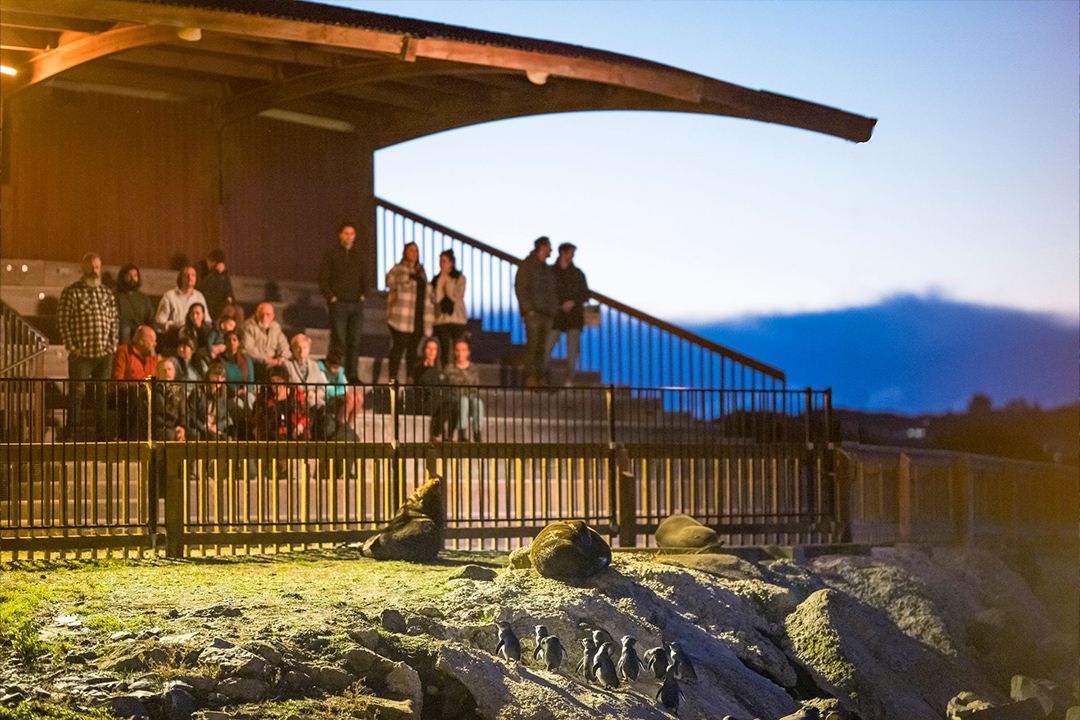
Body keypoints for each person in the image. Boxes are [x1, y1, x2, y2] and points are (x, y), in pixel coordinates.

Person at [58, 252, 119, 439]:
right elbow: (62, 321)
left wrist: (112, 346)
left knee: (102, 393)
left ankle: (102, 433)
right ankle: (71, 432)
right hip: (81, 355)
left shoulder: (107, 293)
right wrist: (72, 347)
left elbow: (114, 321)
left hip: (103, 353)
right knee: (77, 392)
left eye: (97, 267)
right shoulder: (72, 292)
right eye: (91, 267)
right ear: (83, 269)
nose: (94, 270)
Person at [319, 222, 368, 384]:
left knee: (354, 341)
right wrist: (331, 297)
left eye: (352, 234)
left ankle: (352, 375)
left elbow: (366, 277)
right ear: (340, 235)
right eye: (346, 233)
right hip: (338, 303)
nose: (349, 237)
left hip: (356, 304)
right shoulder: (332, 255)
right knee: (338, 340)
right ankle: (336, 374)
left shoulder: (359, 256)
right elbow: (323, 278)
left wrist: (363, 295)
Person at [384, 242, 433, 383]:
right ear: (405, 252)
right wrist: (406, 276)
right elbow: (389, 282)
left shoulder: (421, 271)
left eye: (416, 251)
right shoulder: (398, 268)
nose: (414, 254)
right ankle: (393, 380)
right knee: (398, 347)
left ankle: (410, 378)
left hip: (418, 317)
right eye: (411, 250)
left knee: (413, 350)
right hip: (401, 318)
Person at [514, 236, 558, 387]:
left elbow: (551, 291)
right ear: (542, 247)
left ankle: (540, 378)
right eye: (549, 246)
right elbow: (521, 287)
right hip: (535, 313)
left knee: (542, 348)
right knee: (533, 346)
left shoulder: (546, 268)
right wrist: (528, 310)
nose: (551, 250)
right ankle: (531, 378)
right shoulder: (528, 265)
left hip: (547, 313)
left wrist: (553, 309)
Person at [548, 242, 590, 386]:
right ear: (563, 253)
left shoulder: (577, 273)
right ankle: (544, 377)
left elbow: (585, 293)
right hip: (556, 316)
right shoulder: (551, 272)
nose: (572, 256)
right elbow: (546, 292)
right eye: (571, 253)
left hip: (574, 317)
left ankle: (569, 379)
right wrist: (559, 305)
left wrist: (573, 302)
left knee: (572, 352)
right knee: (547, 347)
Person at [111, 325, 159, 439]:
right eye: (152, 341)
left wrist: (153, 358)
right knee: (137, 395)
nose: (155, 344)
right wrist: (139, 385)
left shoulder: (151, 356)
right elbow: (118, 380)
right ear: (141, 341)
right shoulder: (123, 352)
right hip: (127, 394)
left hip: (146, 395)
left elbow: (155, 377)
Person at [431, 249, 467, 368]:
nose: (442, 264)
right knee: (444, 348)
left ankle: (458, 372)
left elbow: (456, 296)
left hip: (457, 319)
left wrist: (447, 283)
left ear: (451, 262)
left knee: (458, 347)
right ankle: (445, 371)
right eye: (441, 261)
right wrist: (441, 281)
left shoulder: (459, 278)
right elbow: (436, 299)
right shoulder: (436, 280)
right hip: (442, 320)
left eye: (445, 261)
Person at [253, 365, 310, 441]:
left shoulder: (295, 393)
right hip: (272, 433)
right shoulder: (264, 396)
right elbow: (257, 418)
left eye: (278, 380)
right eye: (273, 381)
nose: (276, 384)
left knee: (302, 436)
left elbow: (305, 414)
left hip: (294, 431)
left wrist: (300, 425)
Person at [413, 339, 454, 441]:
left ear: (437, 352)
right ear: (424, 350)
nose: (431, 352)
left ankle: (446, 434)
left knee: (453, 404)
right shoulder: (419, 367)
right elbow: (419, 384)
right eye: (429, 348)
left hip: (439, 402)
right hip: (425, 402)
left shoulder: (440, 370)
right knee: (445, 403)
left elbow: (446, 387)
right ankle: (438, 433)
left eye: (434, 349)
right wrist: (426, 366)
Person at [185, 360, 235, 440]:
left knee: (228, 439)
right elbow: (191, 415)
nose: (219, 379)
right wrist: (205, 428)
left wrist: (217, 427)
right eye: (216, 375)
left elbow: (226, 418)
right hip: (200, 429)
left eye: (222, 377)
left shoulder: (222, 396)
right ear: (209, 376)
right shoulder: (198, 392)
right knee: (213, 437)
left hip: (214, 429)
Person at [446, 339, 484, 442]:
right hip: (455, 401)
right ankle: (461, 432)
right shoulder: (450, 368)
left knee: (477, 402)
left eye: (463, 350)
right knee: (463, 401)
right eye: (458, 350)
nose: (460, 353)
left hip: (470, 399)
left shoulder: (473, 369)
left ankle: (477, 433)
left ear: (468, 352)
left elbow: (475, 387)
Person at [242, 302, 290, 376]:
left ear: (272, 316)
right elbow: (248, 349)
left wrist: (282, 358)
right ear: (256, 314)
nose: (264, 317)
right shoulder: (248, 327)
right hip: (256, 363)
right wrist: (266, 360)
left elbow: (284, 346)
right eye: (261, 314)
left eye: (268, 314)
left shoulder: (275, 327)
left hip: (274, 362)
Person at [155, 266, 207, 334]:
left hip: (195, 335)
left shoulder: (199, 296)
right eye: (186, 275)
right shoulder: (169, 296)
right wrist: (176, 327)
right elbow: (159, 322)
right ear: (181, 278)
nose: (190, 277)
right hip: (174, 335)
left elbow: (207, 320)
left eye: (193, 275)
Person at [284, 333, 328, 412]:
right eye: (298, 348)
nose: (302, 351)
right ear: (293, 349)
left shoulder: (314, 365)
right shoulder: (287, 365)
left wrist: (315, 394)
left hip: (315, 403)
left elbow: (322, 388)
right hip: (296, 404)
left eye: (304, 347)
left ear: (309, 349)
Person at [179, 302, 225, 376]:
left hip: (207, 357)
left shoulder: (209, 329)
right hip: (191, 359)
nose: (195, 316)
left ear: (203, 315)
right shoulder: (185, 331)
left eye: (197, 313)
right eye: (192, 313)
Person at [114, 264, 155, 345]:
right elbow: (116, 316)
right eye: (129, 276)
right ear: (123, 277)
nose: (133, 278)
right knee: (125, 329)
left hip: (140, 329)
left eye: (135, 275)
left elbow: (150, 318)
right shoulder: (115, 295)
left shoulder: (143, 297)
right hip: (123, 329)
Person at [151, 358, 187, 441]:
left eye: (169, 369)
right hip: (158, 428)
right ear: (157, 373)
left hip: (174, 427)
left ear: (174, 372)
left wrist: (182, 427)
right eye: (163, 370)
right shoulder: (151, 390)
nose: (167, 372)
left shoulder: (179, 390)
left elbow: (183, 412)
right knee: (169, 434)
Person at [195, 249, 234, 323]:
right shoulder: (200, 268)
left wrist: (229, 297)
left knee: (238, 310)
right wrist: (214, 273)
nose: (211, 264)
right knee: (226, 311)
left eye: (214, 262)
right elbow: (202, 287)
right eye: (210, 261)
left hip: (220, 302)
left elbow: (228, 288)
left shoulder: (222, 272)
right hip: (206, 301)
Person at [220, 329, 256, 401]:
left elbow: (251, 380)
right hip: (229, 395)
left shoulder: (246, 359)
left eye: (234, 340)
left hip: (245, 392)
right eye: (229, 340)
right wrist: (235, 392)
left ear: (238, 342)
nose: (231, 343)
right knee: (238, 402)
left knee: (250, 399)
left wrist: (246, 389)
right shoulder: (220, 360)